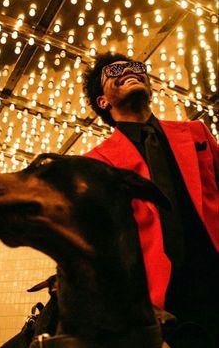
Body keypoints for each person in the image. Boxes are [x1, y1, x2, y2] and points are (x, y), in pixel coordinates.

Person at [83, 51, 219, 348]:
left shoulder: (196, 132)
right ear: (102, 102)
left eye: (134, 66)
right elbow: (101, 252)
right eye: (115, 70)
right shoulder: (94, 164)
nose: (129, 70)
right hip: (165, 306)